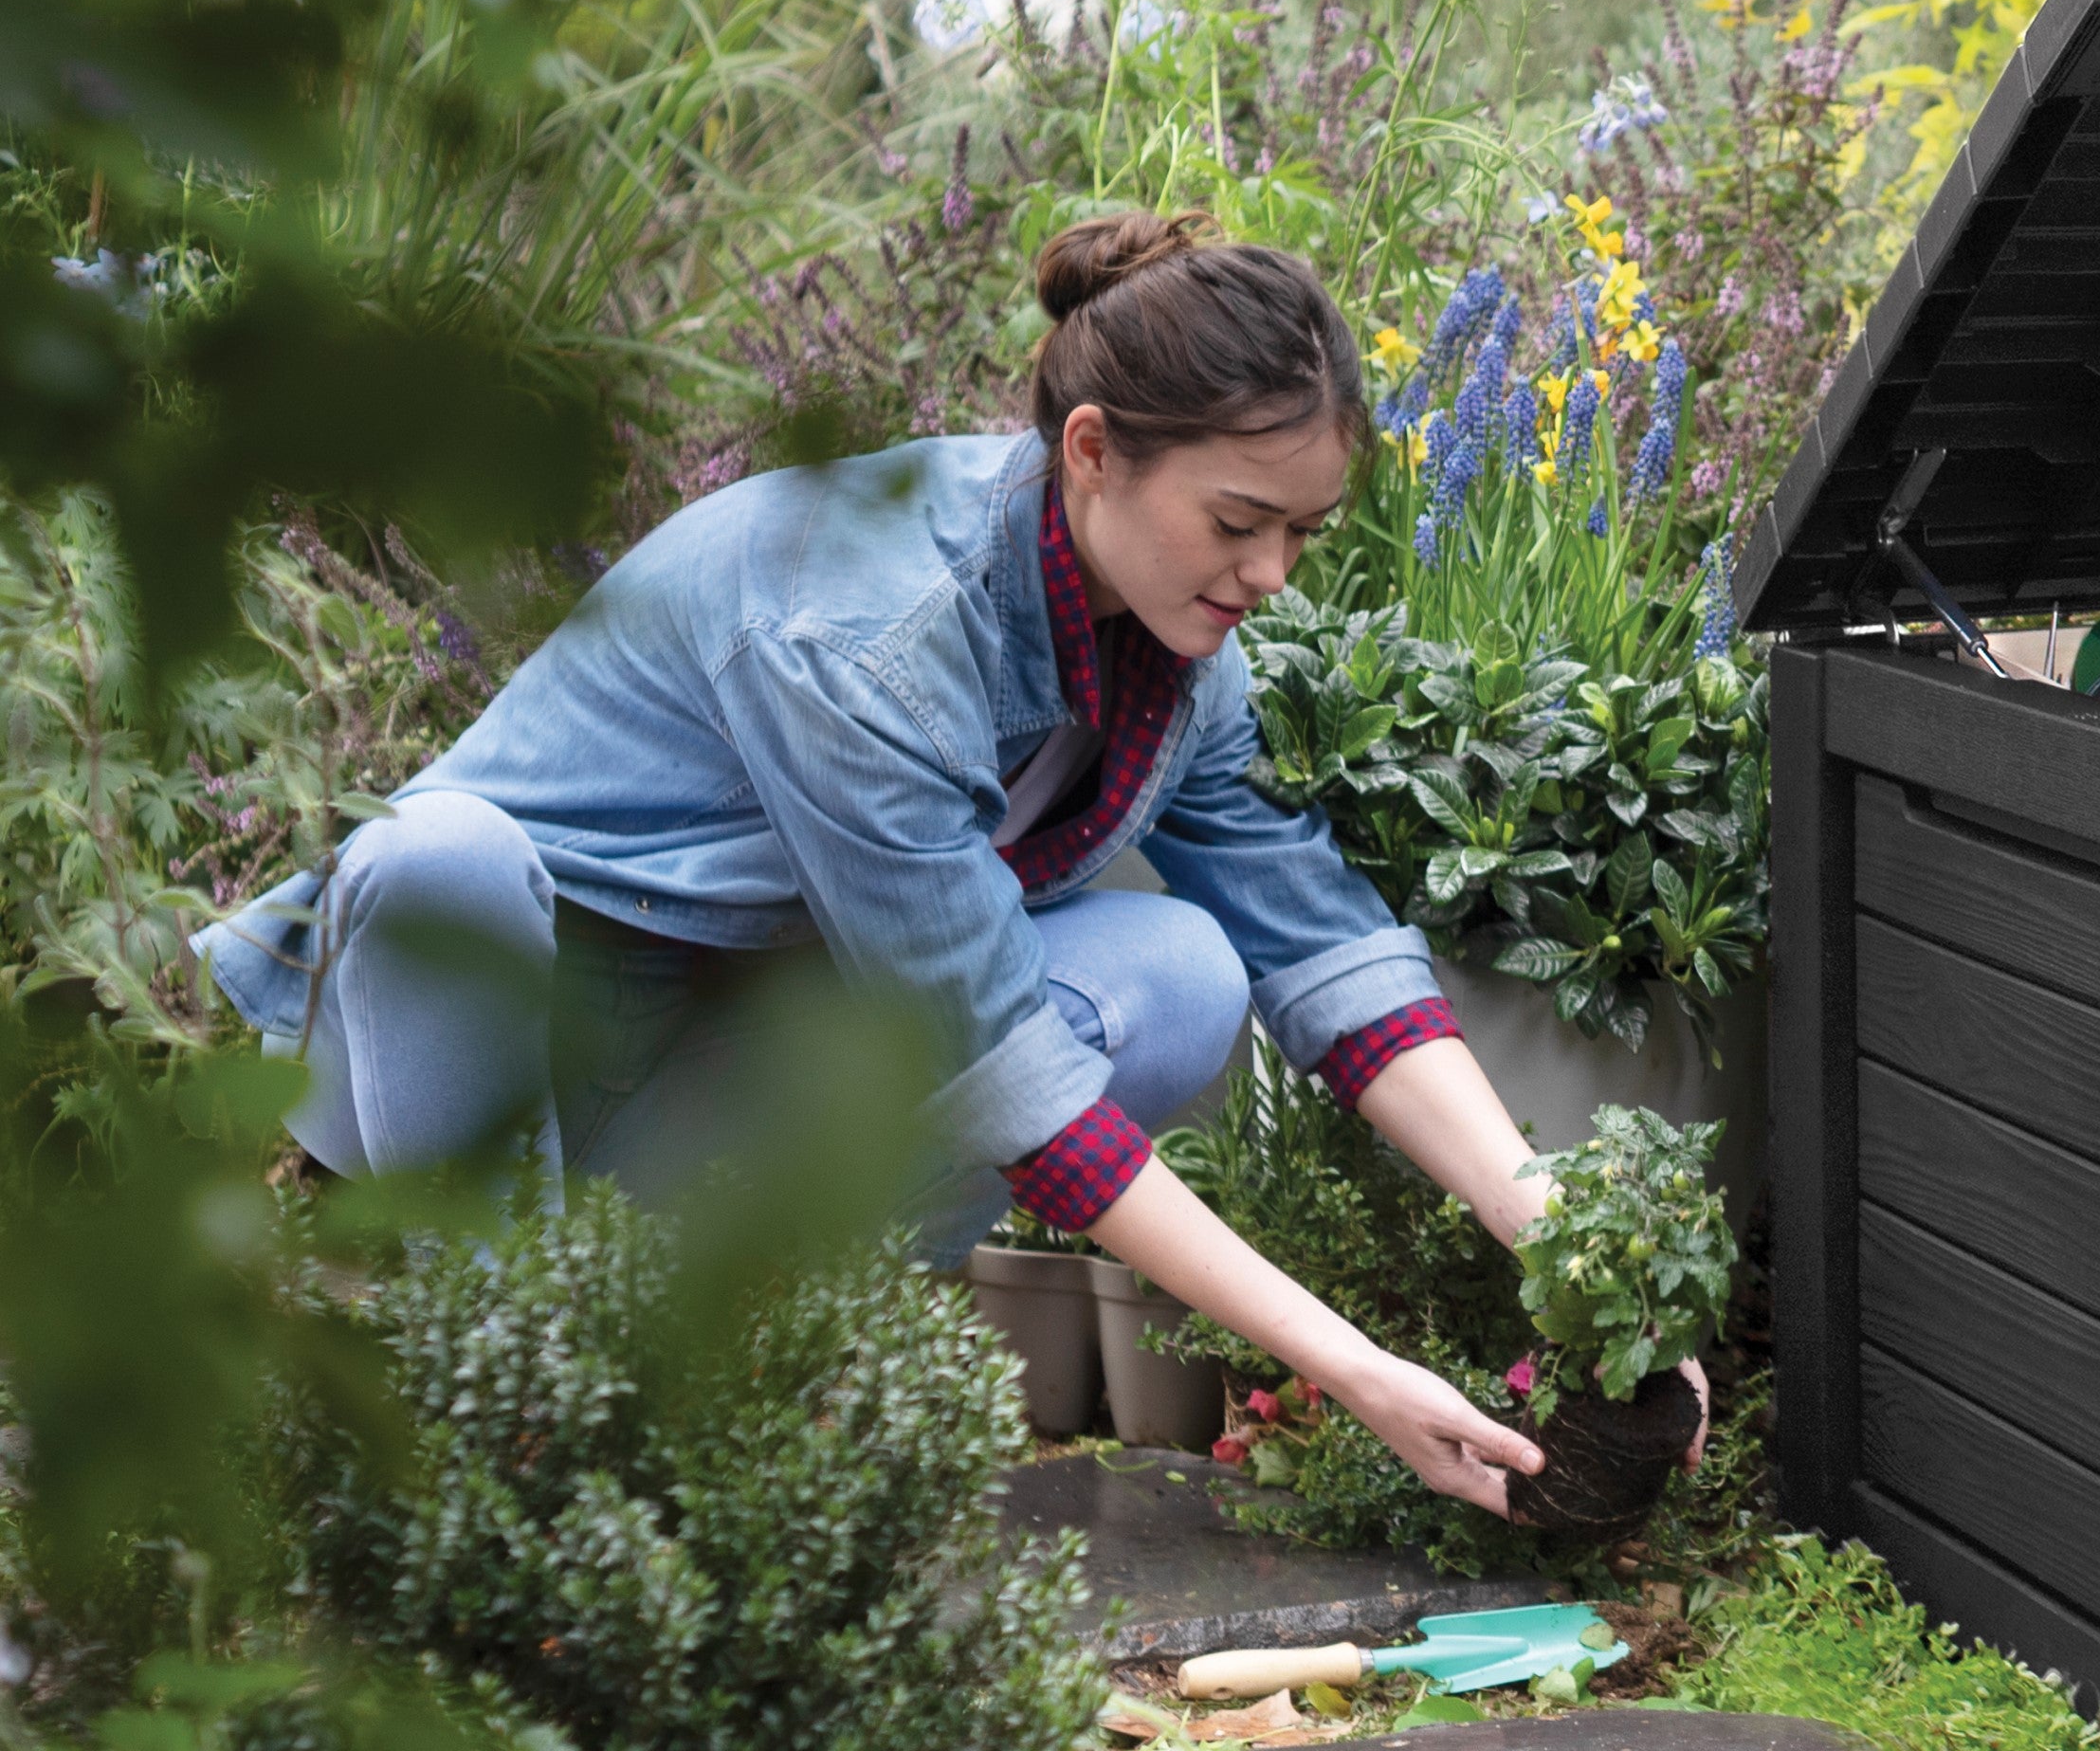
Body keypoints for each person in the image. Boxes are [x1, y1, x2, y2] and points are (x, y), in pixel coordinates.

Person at [206, 208, 1602, 1517]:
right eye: (1240, 522)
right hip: (502, 1067)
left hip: (708, 1075)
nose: (1272, 573)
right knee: (436, 857)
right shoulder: (867, 629)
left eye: (1303, 530)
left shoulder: (1178, 654)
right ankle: (499, 1394)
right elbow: (1002, 1072)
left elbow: (1322, 944)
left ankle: (740, 1350)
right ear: (1094, 451)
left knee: (1180, 969)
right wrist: (1353, 1372)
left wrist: (1569, 1240)